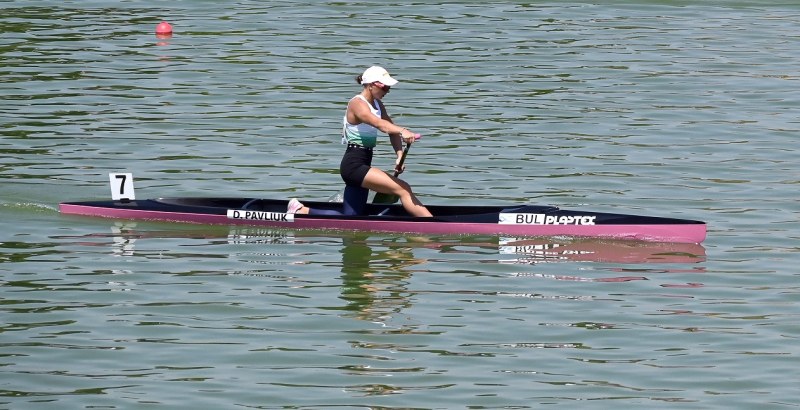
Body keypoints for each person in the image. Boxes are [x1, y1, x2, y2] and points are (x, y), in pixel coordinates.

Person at [288, 66, 432, 217]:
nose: (387, 91)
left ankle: (301, 211)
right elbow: (380, 125)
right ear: (371, 85)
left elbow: (392, 130)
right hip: (353, 165)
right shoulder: (357, 104)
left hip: (363, 163)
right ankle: (433, 225)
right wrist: (403, 130)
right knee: (403, 189)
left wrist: (399, 155)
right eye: (385, 87)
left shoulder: (378, 104)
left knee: (350, 217)